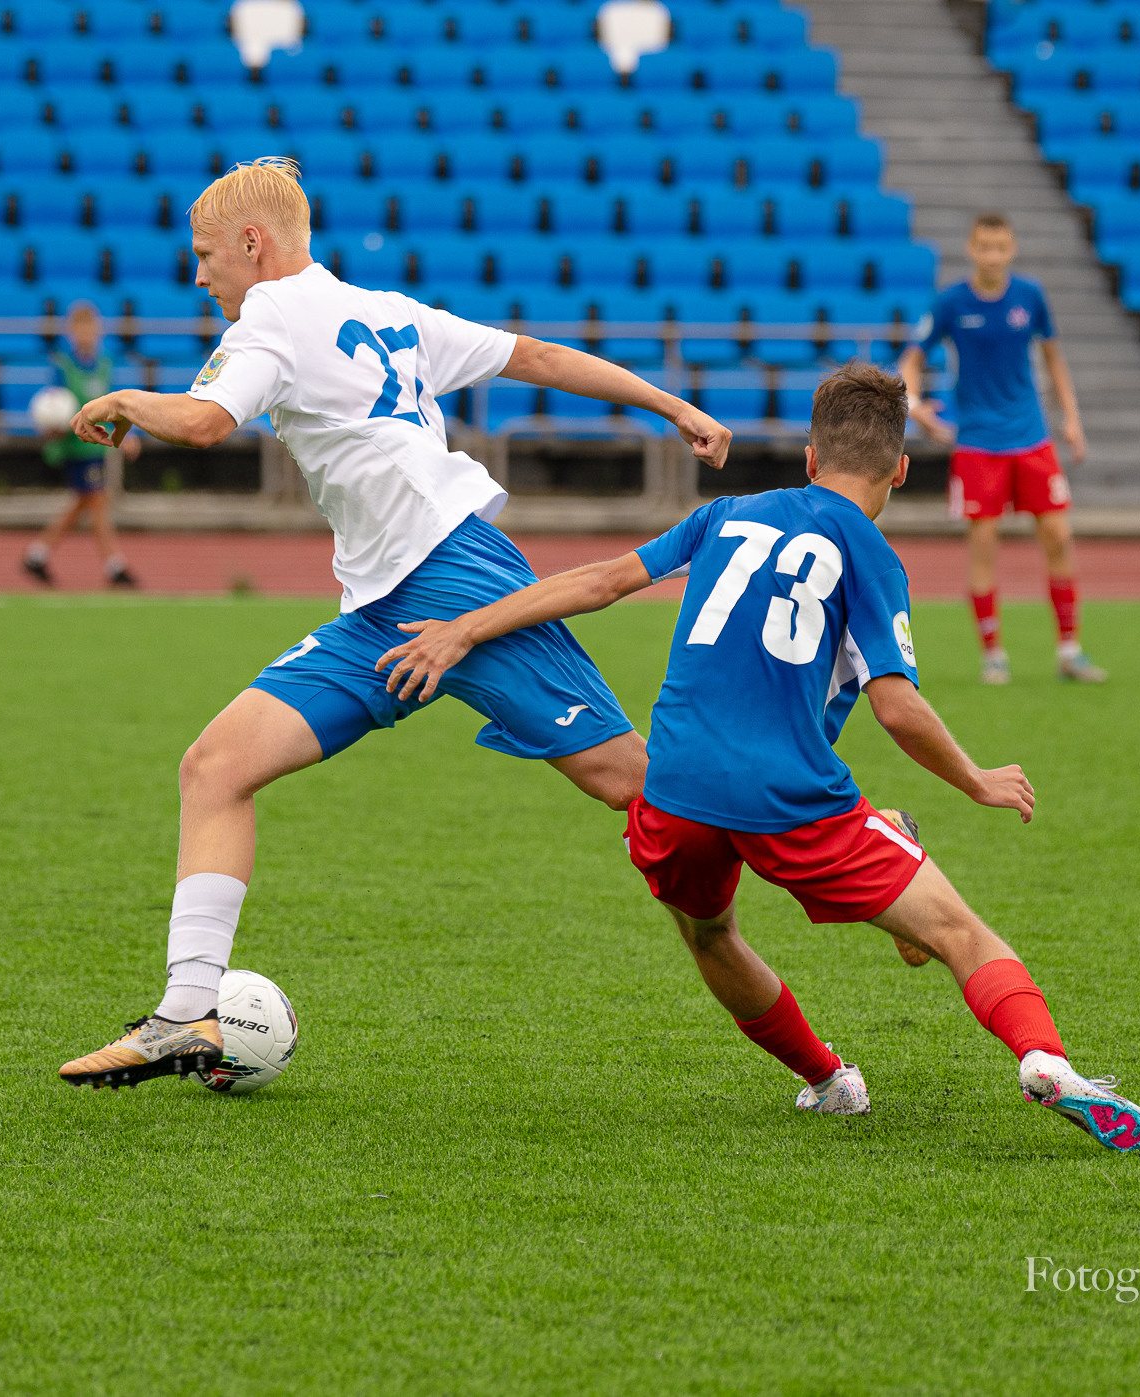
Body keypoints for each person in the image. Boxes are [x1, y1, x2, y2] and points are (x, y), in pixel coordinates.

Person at [53, 158, 732, 1088]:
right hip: (378, 608)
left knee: (638, 784)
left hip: (457, 579)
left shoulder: (271, 317)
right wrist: (671, 403)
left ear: (254, 244)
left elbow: (208, 422)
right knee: (217, 766)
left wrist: (127, 399)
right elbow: (535, 356)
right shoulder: (389, 310)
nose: (198, 274)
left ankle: (845, 838)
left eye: (206, 254)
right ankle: (184, 1015)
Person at [374, 364, 1140, 1153]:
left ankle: (828, 1080)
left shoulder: (725, 514)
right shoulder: (874, 554)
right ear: (901, 470)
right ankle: (1046, 1059)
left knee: (710, 932)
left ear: (810, 459)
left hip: (674, 791)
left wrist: (467, 627)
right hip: (793, 799)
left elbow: (602, 581)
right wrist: (976, 777)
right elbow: (897, 704)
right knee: (961, 933)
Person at [898, 213, 1106, 685]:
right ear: (972, 249)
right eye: (984, 246)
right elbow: (912, 356)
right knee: (984, 545)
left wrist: (1071, 420)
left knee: (1058, 537)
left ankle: (1069, 649)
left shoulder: (1030, 296)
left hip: (1031, 437)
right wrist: (915, 405)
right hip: (977, 443)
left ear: (1011, 249)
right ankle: (993, 654)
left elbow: (1054, 360)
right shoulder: (951, 303)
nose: (992, 254)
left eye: (1001, 246)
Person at [23, 301, 142, 588]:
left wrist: (126, 435)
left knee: (85, 502)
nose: (87, 334)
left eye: (91, 328)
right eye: (81, 329)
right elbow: (54, 406)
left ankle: (37, 555)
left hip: (95, 445)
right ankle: (115, 565)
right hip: (75, 446)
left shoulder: (104, 364)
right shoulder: (63, 366)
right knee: (97, 501)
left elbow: (112, 405)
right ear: (71, 332)